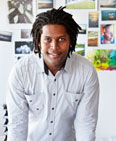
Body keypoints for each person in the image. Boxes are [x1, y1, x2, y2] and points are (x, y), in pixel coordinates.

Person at [7, 7, 99, 141]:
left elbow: (86, 124)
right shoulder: (21, 71)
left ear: (70, 41)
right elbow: (17, 125)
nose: (54, 47)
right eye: (47, 39)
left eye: (61, 39)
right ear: (39, 41)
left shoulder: (86, 71)